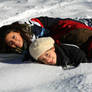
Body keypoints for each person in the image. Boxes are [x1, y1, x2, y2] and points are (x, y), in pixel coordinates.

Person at [1, 16, 92, 60]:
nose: (15, 42)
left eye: (14, 37)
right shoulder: (19, 49)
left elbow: (55, 22)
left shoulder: (33, 28)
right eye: (11, 43)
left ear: (18, 32)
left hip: (70, 31)